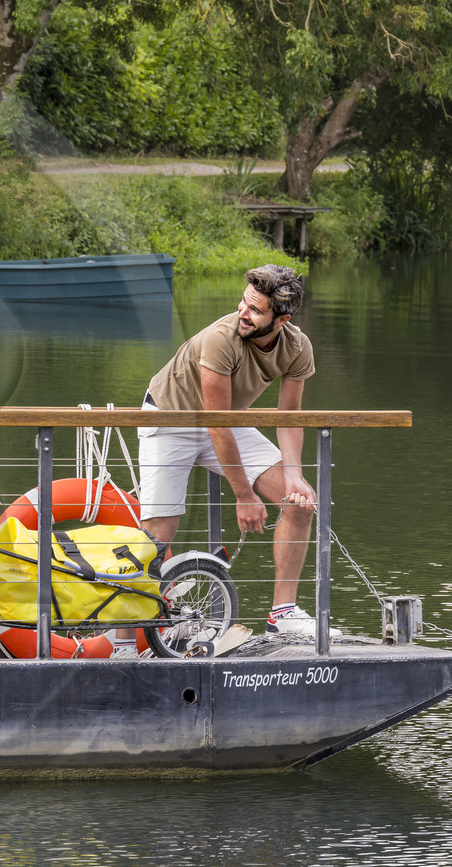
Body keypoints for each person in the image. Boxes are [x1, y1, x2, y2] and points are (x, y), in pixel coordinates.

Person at [134, 263, 329, 645]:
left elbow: (289, 416)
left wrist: (294, 475)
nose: (243, 312)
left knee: (301, 504)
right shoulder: (221, 339)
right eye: (243, 302)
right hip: (170, 418)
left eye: (255, 310)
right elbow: (216, 423)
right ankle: (130, 636)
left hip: (224, 420)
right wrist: (244, 495)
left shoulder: (297, 347)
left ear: (281, 318)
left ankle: (283, 614)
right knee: (159, 532)